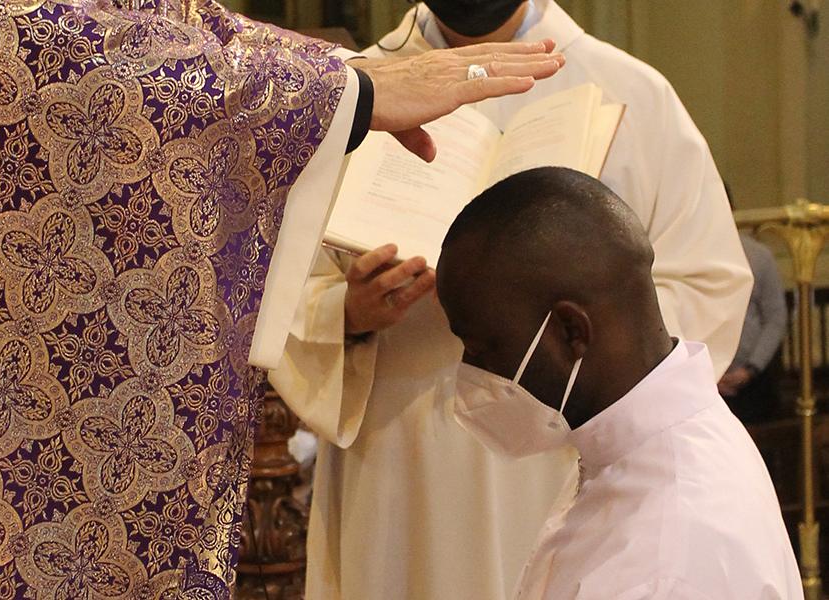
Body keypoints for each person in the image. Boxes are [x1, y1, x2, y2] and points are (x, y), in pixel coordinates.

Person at [0, 0, 565, 594]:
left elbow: (168, 23)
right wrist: (342, 93)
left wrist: (340, 82)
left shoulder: (619, 87)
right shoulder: (371, 68)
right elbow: (6, 38)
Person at [269, 1, 752, 598]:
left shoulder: (634, 95)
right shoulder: (356, 93)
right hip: (402, 452)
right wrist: (347, 313)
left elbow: (707, 285)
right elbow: (278, 291)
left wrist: (574, 348)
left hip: (556, 455)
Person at [436, 167, 802, 600]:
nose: (468, 369)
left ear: (572, 331)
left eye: (481, 348)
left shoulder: (666, 560)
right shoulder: (638, 452)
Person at [719, 185, 788, 422]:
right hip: (702, 378)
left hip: (752, 379)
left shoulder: (758, 256)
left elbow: (775, 317)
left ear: (731, 209)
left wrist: (750, 369)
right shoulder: (683, 257)